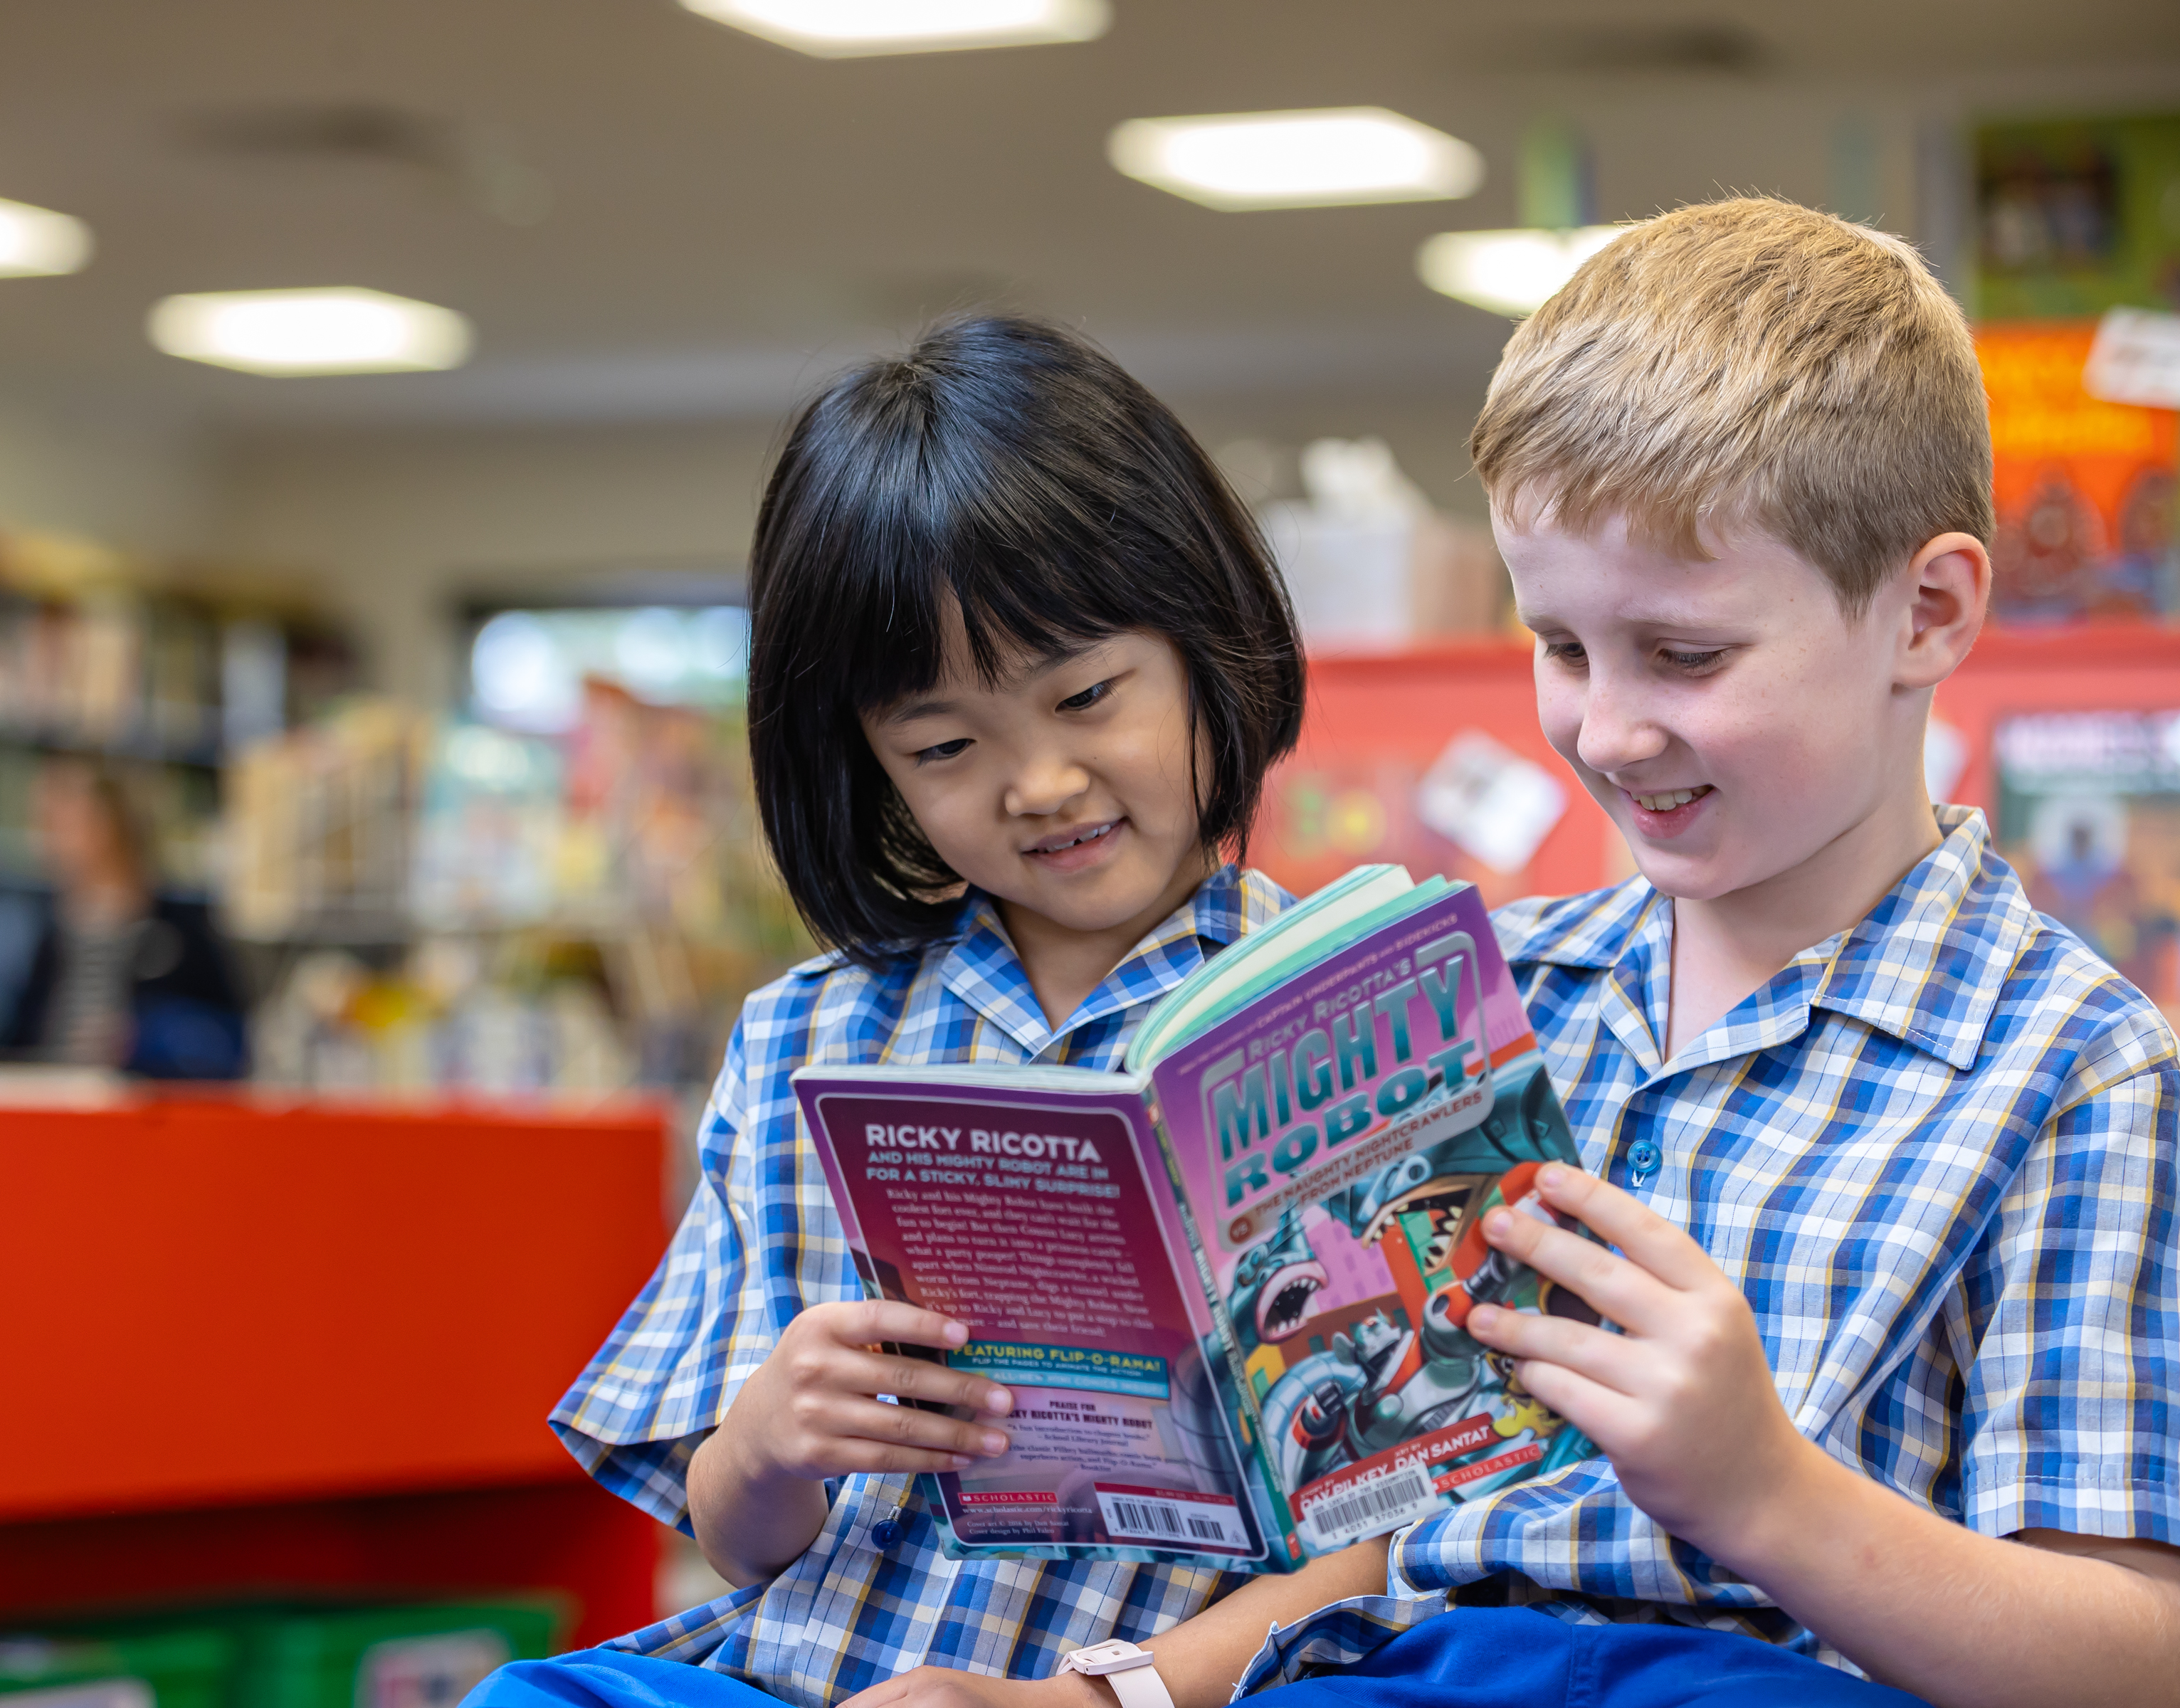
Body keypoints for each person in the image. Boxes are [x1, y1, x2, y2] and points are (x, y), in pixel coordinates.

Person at [841, 200, 2180, 1707]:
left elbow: (2134, 1656)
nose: (1608, 730)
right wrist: (1096, 1696)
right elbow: (1387, 1536)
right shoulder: (1485, 993)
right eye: (1561, 647)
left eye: (1687, 654)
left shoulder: (2077, 1072)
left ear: (1925, 612)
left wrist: (1764, 1495)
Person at [473, 315, 1309, 1707]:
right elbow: (740, 1544)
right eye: (945, 745)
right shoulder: (809, 1038)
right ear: (865, 765)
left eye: (1088, 695)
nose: (1038, 781)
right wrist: (768, 1442)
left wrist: (1094, 1700)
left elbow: (1400, 1541)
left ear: (1208, 644)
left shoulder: (1342, 1020)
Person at [0, 757, 247, 1080]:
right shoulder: (46, 926)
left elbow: (231, 1040)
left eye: (57, 822)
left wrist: (146, 1037)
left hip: (142, 1111)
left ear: (107, 823)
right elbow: (12, 1039)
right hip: (51, 1103)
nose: (43, 841)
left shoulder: (178, 928)